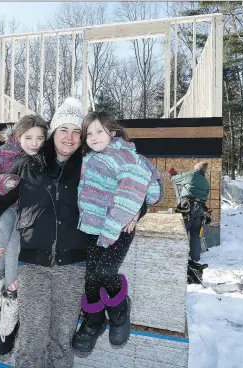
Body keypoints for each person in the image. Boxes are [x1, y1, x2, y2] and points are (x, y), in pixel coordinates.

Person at [0, 97, 89, 367]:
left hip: (73, 267)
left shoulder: (91, 167)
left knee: (62, 340)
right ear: (53, 133)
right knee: (31, 339)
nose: (70, 137)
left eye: (77, 131)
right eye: (64, 129)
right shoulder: (29, 166)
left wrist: (134, 211)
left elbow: (129, 191)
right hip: (33, 267)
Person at [71, 111, 156, 355]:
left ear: (113, 132)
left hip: (118, 225)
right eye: (89, 133)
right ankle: (94, 321)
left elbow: (140, 185)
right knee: (89, 276)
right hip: (92, 226)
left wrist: (134, 211)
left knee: (105, 270)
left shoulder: (126, 156)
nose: (94, 137)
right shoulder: (87, 157)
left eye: (99, 131)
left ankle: (119, 309)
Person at [0, 115, 48, 355]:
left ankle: (7, 322)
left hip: (29, 215)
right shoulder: (4, 153)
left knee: (14, 254)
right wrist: (3, 182)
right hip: (8, 207)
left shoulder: (45, 158)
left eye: (40, 137)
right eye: (29, 137)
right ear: (18, 137)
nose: (35, 143)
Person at [169, 161, 210, 262]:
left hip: (187, 207)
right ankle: (195, 259)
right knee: (196, 235)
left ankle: (177, 258)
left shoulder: (191, 175)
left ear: (196, 168)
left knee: (181, 231)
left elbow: (175, 179)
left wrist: (173, 173)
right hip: (200, 210)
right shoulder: (206, 182)